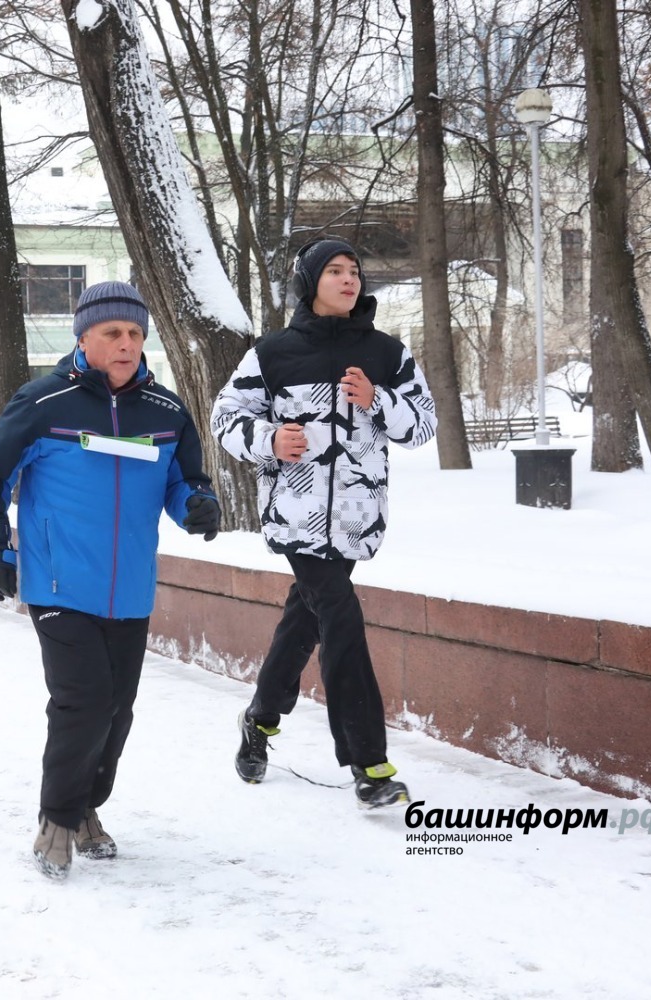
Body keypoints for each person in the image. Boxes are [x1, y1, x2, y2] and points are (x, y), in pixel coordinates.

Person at [0, 281, 221, 881]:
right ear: (83, 337)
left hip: (129, 587)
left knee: (117, 710)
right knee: (83, 700)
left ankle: (85, 808)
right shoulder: (43, 403)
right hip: (58, 582)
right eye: (113, 333)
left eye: (134, 333)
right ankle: (56, 820)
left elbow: (185, 480)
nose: (127, 344)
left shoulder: (166, 412)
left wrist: (197, 504)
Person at [211, 239, 437, 809]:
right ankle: (368, 763)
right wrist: (269, 439)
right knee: (339, 614)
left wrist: (377, 399)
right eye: (334, 271)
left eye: (354, 270)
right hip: (296, 514)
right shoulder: (273, 353)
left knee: (306, 617)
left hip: (357, 518)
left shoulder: (387, 353)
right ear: (310, 282)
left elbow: (423, 426)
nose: (348, 279)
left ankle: (259, 719)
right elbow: (225, 416)